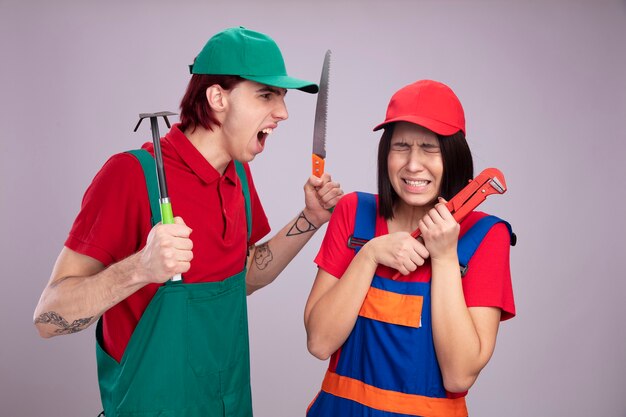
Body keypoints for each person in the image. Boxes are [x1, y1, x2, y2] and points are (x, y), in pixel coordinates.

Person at [33, 27, 343, 417]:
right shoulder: (132, 175)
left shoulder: (238, 176)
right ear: (217, 98)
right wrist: (139, 269)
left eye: (281, 98)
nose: (283, 112)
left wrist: (311, 220)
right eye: (267, 95)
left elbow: (243, 277)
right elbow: (48, 317)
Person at [304, 79, 515, 417]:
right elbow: (319, 342)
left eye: (430, 148)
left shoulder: (486, 236)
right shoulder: (354, 212)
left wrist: (445, 256)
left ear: (454, 154)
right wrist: (369, 254)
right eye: (400, 146)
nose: (413, 164)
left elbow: (460, 374)